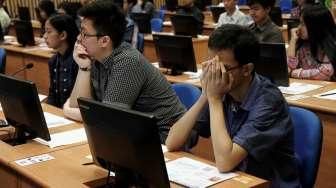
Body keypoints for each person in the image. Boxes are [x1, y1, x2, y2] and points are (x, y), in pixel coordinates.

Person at [165, 24, 300, 187]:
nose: (215, 74)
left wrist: (214, 99)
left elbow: (225, 161)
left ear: (246, 69)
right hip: (234, 180)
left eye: (223, 68)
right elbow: (172, 142)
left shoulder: (269, 101)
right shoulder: (221, 89)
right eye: (211, 66)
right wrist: (204, 95)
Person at [63, 1, 186, 143]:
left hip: (162, 137)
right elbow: (79, 106)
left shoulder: (127, 61)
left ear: (104, 41)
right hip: (131, 133)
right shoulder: (97, 58)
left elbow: (108, 119)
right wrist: (84, 68)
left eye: (84, 33)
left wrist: (68, 111)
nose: (79, 38)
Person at [287, 4, 336, 80]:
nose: (299, 27)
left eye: (303, 24)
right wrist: (293, 40)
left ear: (316, 26)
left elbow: (325, 72)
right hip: (306, 87)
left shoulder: (330, 45)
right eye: (299, 23)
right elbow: (288, 69)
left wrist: (296, 73)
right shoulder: (302, 44)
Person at [44, 14, 79, 108]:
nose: (45, 36)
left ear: (63, 35)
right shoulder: (53, 61)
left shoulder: (78, 61)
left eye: (49, 32)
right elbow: (52, 94)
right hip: (59, 114)